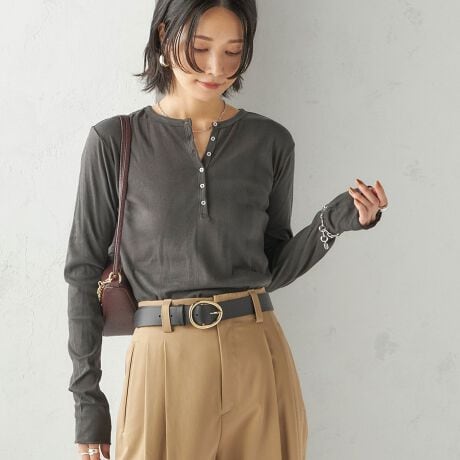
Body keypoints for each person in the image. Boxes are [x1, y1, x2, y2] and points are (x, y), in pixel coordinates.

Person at [63, 1, 388, 459]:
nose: (217, 68)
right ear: (163, 36)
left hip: (257, 355)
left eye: (233, 51)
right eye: (200, 48)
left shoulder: (271, 141)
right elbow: (82, 274)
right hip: (162, 363)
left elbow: (271, 268)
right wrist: (88, 405)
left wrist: (333, 223)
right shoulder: (114, 142)